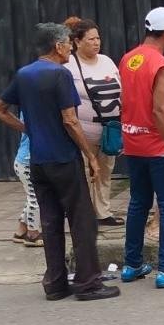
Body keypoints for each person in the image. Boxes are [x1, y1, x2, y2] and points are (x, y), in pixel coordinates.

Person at [0, 23, 120, 301]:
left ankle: (56, 283)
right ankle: (88, 283)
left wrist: (27, 129)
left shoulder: (24, 74)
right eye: (69, 45)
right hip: (63, 158)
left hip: (38, 160)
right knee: (83, 221)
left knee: (50, 222)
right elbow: (71, 120)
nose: (71, 49)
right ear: (58, 46)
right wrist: (89, 155)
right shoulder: (59, 75)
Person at [118, 6, 164, 289]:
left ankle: (132, 264)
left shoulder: (129, 59)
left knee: (138, 203)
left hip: (133, 141)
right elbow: (160, 111)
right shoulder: (163, 65)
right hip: (158, 145)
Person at [65, 18, 124, 227]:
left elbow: (121, 88)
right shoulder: (69, 65)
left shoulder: (107, 61)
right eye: (91, 39)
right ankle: (83, 213)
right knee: (83, 173)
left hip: (109, 129)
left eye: (98, 38)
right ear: (77, 42)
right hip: (82, 130)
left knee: (106, 171)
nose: (96, 42)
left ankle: (103, 212)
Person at [11, 121, 43, 247]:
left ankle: (21, 231)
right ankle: (32, 234)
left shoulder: (28, 107)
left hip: (24, 160)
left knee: (32, 196)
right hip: (27, 161)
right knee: (36, 198)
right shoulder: (32, 109)